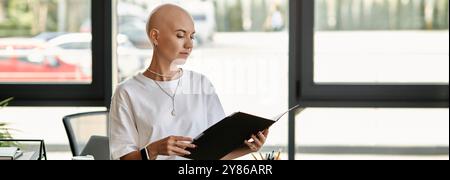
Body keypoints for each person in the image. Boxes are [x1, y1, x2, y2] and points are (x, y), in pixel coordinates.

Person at [109, 4, 269, 160]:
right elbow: (125, 158)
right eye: (180, 35)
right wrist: (154, 150)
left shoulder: (201, 84)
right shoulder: (126, 92)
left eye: (192, 36)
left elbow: (216, 152)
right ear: (155, 36)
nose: (190, 44)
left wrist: (246, 148)